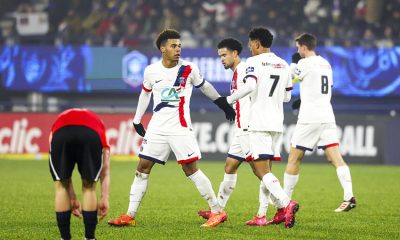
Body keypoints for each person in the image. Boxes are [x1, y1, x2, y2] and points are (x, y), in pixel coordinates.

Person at [108, 29, 236, 228]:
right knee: (142, 168)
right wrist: (137, 119)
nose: (178, 49)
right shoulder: (151, 71)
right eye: (173, 46)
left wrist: (222, 103)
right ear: (162, 48)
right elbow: (145, 94)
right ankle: (130, 215)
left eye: (179, 46)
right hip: (157, 128)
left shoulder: (188, 69)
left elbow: (205, 86)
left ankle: (217, 211)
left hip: (180, 128)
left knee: (190, 169)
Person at [197, 37, 278, 226]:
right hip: (241, 127)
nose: (222, 59)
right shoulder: (237, 72)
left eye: (224, 55)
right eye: (220, 56)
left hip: (249, 128)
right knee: (230, 166)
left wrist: (235, 107)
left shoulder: (244, 70)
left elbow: (253, 92)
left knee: (261, 171)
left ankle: (282, 204)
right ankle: (217, 210)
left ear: (235, 53)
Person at [225, 27, 299, 228]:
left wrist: (229, 100)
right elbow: (286, 97)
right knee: (266, 171)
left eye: (250, 44)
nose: (249, 48)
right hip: (276, 123)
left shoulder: (253, 62)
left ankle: (286, 203)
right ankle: (262, 214)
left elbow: (249, 86)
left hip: (257, 122)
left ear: (257, 43)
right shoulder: (283, 64)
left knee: (260, 171)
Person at [283, 33, 356, 212]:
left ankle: (284, 202)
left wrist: (294, 64)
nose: (297, 49)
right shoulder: (326, 63)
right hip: (327, 115)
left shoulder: (304, 63)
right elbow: (324, 88)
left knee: (294, 158)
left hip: (309, 118)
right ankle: (349, 196)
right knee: (335, 158)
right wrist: (303, 98)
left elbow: (288, 80)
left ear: (303, 46)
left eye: (298, 46)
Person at [49, 108, 110, 240]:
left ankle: (65, 238)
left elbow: (64, 177)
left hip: (61, 132)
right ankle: (89, 238)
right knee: (89, 187)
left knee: (61, 186)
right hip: (90, 134)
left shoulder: (60, 118)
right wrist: (104, 197)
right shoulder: (98, 122)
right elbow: (105, 168)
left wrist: (71, 196)